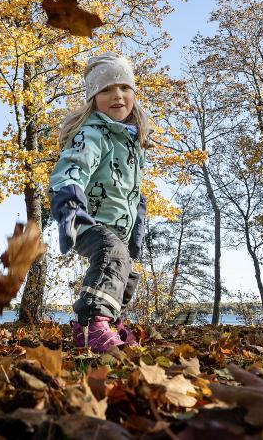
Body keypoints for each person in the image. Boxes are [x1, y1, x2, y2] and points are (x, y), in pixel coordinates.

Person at [48, 52, 151, 352]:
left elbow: (133, 190)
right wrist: (69, 201)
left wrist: (138, 221)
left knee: (126, 273)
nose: (117, 95)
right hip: (85, 219)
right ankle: (91, 324)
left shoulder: (132, 141)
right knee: (113, 255)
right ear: (93, 98)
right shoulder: (92, 134)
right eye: (106, 89)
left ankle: (110, 320)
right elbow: (72, 167)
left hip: (119, 227)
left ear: (133, 93)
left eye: (124, 87)